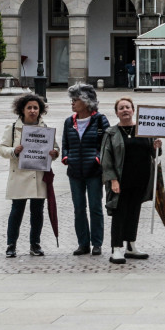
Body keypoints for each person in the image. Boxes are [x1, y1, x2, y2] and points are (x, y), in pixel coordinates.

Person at [101, 96, 162, 265]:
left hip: (141, 179)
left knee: (134, 212)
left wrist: (157, 147)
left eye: (128, 107)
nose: (125, 110)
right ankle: (116, 248)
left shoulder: (145, 129)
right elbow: (106, 159)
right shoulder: (111, 133)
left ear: (133, 110)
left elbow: (153, 153)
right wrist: (113, 180)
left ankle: (131, 245)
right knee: (120, 213)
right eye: (121, 108)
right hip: (121, 180)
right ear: (116, 113)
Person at [0, 94, 59, 258]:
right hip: (19, 176)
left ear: (40, 110)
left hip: (38, 176)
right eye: (29, 108)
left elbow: (55, 148)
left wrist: (54, 153)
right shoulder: (12, 128)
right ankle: (11, 245)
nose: (32, 111)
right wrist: (13, 151)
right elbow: (1, 148)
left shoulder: (45, 129)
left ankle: (35, 244)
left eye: (35, 108)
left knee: (37, 212)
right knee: (16, 211)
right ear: (22, 110)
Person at [62, 83, 110, 256]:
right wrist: (66, 157)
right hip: (75, 171)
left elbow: (106, 144)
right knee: (79, 208)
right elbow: (65, 144)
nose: (72, 103)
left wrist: (97, 158)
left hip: (94, 172)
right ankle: (83, 243)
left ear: (87, 102)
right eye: (72, 100)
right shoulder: (69, 121)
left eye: (76, 100)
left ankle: (97, 243)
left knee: (95, 207)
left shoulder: (100, 120)